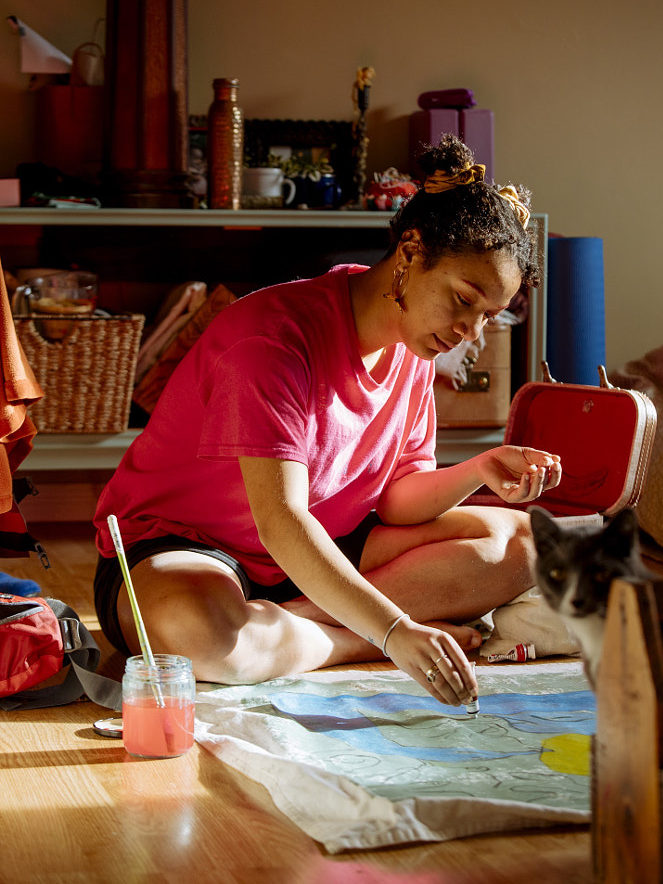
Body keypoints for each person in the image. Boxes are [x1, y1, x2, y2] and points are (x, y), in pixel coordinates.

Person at [93, 134, 561, 710]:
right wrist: (391, 632)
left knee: (521, 544)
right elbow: (281, 522)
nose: (471, 332)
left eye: (488, 315)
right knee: (195, 633)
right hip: (195, 549)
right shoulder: (273, 340)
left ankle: (286, 629)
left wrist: (481, 468)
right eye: (464, 299)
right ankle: (343, 642)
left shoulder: (414, 350)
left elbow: (396, 501)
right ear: (411, 252)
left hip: (326, 549)